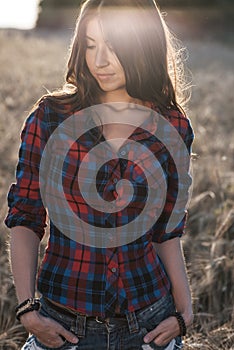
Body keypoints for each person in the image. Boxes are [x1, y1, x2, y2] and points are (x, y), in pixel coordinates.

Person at [5, 0, 194, 349]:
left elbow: (167, 230)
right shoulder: (50, 118)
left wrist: (185, 312)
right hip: (63, 328)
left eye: (114, 47)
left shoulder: (173, 126)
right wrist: (27, 310)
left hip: (151, 325)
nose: (100, 61)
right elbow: (26, 217)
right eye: (90, 46)